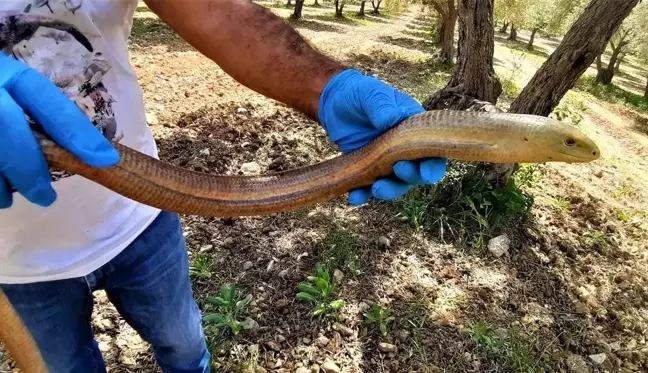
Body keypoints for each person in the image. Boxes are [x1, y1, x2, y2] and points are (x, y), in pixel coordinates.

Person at [0, 1, 447, 372]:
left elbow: (215, 12)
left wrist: (325, 86)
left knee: (185, 351)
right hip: (15, 269)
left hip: (142, 223)